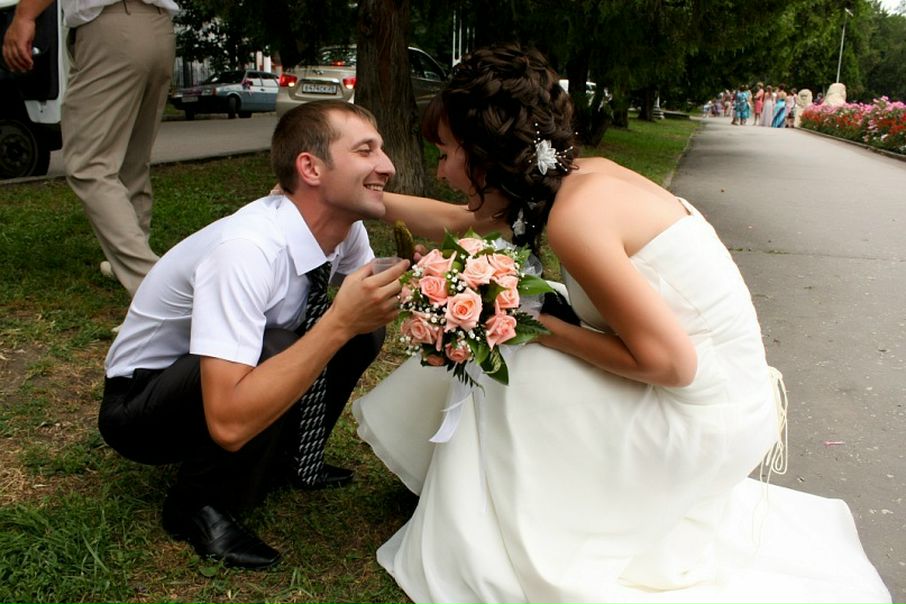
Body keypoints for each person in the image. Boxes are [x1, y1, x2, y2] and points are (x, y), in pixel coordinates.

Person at [352, 45, 891, 602]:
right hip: (733, 393)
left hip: (705, 417)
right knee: (517, 322)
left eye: (444, 152)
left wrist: (533, 323)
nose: (440, 169)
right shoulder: (580, 176)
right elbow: (464, 221)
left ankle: (499, 531)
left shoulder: (576, 219)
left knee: (508, 357)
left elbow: (673, 366)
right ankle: (468, 494)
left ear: (484, 151)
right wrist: (366, 201)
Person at [98, 100, 408, 569]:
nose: (386, 166)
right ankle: (195, 505)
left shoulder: (343, 229)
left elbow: (361, 303)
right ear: (311, 167)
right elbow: (225, 419)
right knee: (290, 340)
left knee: (361, 333)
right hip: (140, 406)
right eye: (366, 151)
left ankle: (289, 459)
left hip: (224, 374)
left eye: (382, 150)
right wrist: (339, 321)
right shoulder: (247, 249)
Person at [2, 0, 178, 297]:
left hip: (110, 30)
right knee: (130, 163)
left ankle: (155, 290)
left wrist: (24, 15)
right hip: (159, 28)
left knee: (89, 165)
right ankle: (131, 258)